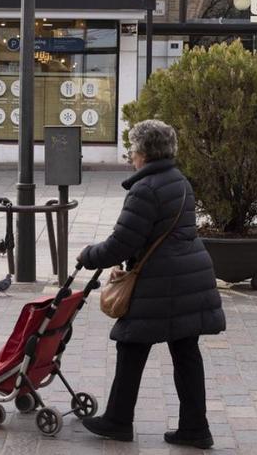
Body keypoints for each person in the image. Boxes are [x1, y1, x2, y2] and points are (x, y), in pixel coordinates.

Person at [77, 119, 225, 449]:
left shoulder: (146, 189)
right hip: (191, 277)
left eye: (132, 149)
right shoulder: (179, 180)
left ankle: (117, 420)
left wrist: (88, 255)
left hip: (163, 282)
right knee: (186, 350)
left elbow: (122, 243)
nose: (131, 156)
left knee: (130, 345)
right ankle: (195, 428)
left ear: (143, 152)